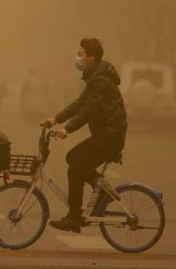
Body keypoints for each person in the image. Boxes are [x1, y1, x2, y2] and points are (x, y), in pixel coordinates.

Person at [43, 38, 127, 232]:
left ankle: (74, 217)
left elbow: (88, 110)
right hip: (106, 135)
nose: (77, 58)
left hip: (110, 137)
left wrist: (67, 129)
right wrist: (57, 119)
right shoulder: (95, 77)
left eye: (81, 54)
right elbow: (79, 103)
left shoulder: (100, 80)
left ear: (92, 58)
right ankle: (102, 190)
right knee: (72, 158)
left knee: (75, 169)